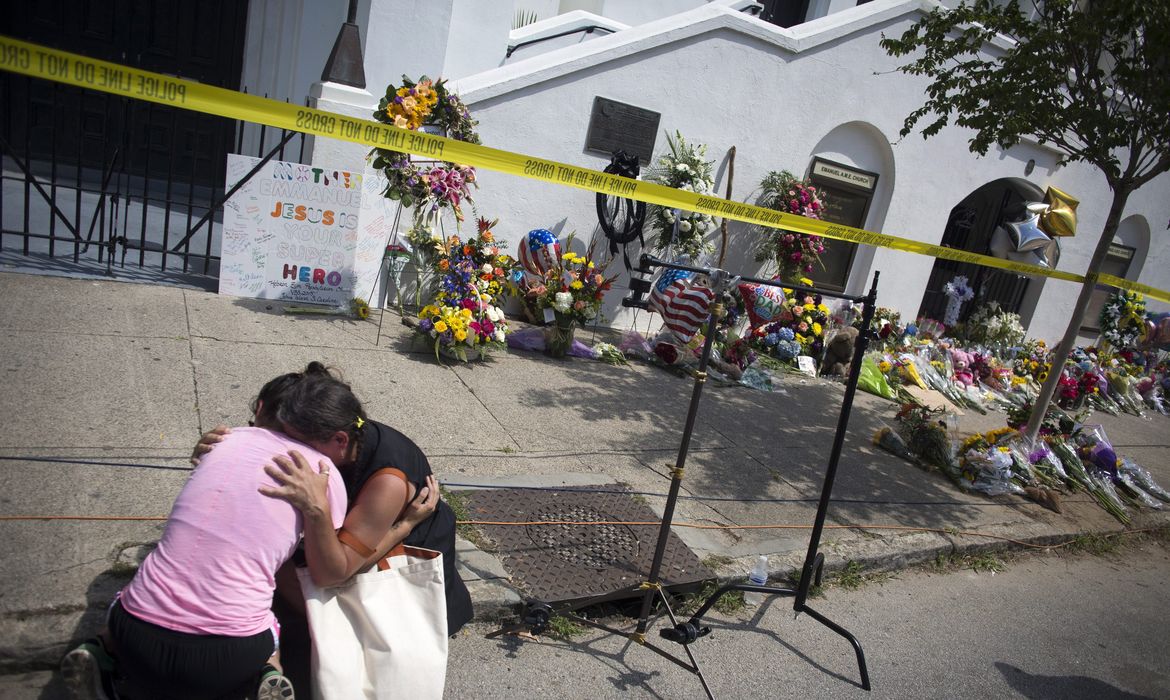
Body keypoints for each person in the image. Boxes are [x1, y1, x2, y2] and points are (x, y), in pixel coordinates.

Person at [61, 367, 437, 700]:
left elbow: (334, 566)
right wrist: (325, 511)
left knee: (146, 589)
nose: (294, 450)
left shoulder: (224, 440)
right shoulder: (321, 469)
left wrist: (402, 525)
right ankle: (267, 671)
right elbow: (329, 571)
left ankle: (101, 649)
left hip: (131, 635)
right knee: (274, 608)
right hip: (226, 658)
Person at [197, 365, 473, 638]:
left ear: (339, 440)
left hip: (401, 567)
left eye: (296, 443)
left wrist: (405, 525)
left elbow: (336, 572)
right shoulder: (337, 437)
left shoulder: (387, 481)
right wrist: (215, 455)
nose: (286, 450)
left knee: (280, 571)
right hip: (355, 542)